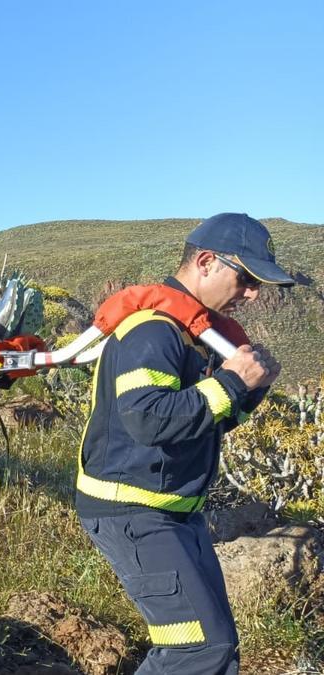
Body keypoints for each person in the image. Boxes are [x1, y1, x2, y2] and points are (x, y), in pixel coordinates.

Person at [76, 213, 293, 673]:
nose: (253, 294)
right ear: (207, 262)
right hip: (134, 513)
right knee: (198, 650)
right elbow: (147, 420)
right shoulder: (153, 330)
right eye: (246, 279)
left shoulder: (193, 333)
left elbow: (196, 423)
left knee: (217, 645)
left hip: (174, 512)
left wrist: (248, 392)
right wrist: (232, 383)